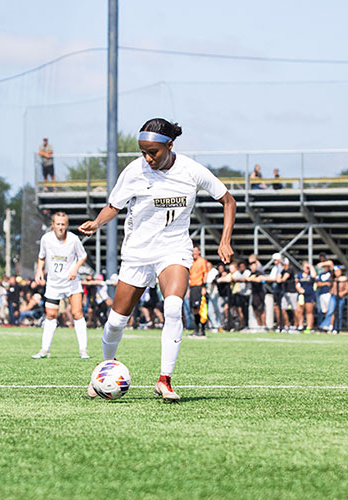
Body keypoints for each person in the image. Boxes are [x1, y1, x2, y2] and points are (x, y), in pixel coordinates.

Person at [78, 118, 236, 402]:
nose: (148, 158)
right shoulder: (134, 172)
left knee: (174, 307)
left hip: (174, 249)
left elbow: (228, 200)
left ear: (170, 145)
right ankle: (104, 371)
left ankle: (165, 380)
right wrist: (96, 224)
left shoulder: (191, 170)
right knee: (116, 321)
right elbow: (113, 206)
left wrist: (224, 241)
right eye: (143, 152)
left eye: (153, 152)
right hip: (138, 252)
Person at [31, 211, 90, 359]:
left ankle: (83, 350)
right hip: (53, 283)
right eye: (58, 224)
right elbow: (41, 257)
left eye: (63, 224)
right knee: (51, 315)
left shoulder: (74, 240)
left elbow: (83, 256)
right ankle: (45, 350)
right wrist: (39, 271)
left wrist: (75, 269)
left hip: (71, 283)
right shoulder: (46, 239)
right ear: (53, 225)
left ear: (67, 226)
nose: (60, 227)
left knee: (77, 313)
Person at [188, 246, 208, 337]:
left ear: (199, 251)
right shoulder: (191, 261)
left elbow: (205, 273)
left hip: (199, 286)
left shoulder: (202, 261)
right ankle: (196, 329)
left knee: (201, 308)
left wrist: (204, 286)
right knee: (194, 308)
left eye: (196, 251)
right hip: (192, 287)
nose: (194, 253)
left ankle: (202, 329)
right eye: (193, 251)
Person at [296, 261, 316, 332]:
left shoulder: (310, 275)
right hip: (301, 295)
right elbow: (297, 283)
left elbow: (314, 276)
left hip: (309, 294)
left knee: (309, 311)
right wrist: (299, 289)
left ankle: (309, 327)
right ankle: (300, 325)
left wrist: (311, 267)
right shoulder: (300, 275)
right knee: (299, 311)